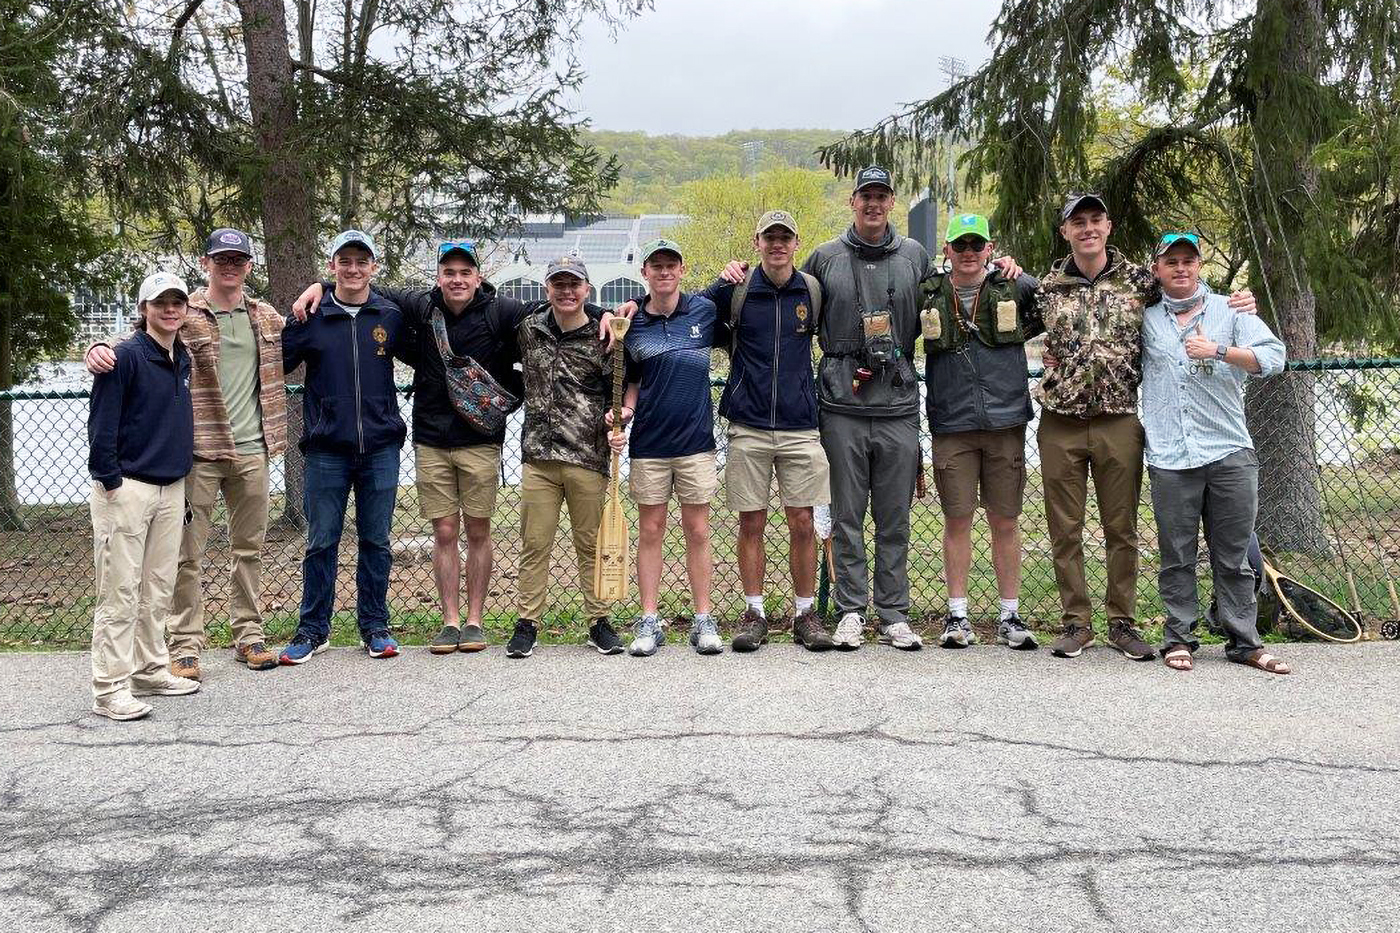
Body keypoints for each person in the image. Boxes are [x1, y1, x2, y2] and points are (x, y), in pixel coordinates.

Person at [1036, 193, 1256, 661]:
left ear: (1108, 227)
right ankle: (1076, 623)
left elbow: (1187, 289)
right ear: (1065, 231)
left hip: (1119, 418)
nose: (1088, 228)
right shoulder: (1045, 288)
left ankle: (1122, 623)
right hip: (1060, 420)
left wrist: (1240, 301)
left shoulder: (1141, 280)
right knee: (1065, 529)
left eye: (1096, 219)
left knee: (1121, 529)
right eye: (1078, 222)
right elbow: (1011, 322)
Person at [618, 211, 834, 652]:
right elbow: (673, 305)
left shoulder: (812, 290)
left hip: (800, 423)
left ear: (796, 243)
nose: (777, 244)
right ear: (757, 242)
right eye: (770, 237)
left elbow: (835, 342)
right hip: (747, 423)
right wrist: (630, 305)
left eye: (785, 237)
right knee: (750, 521)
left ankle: (805, 613)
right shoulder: (733, 292)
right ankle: (754, 614)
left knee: (803, 521)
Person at [85, 229, 286, 679]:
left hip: (254, 449)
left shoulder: (267, 316)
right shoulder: (184, 311)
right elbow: (140, 339)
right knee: (185, 555)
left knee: (248, 548)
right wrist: (98, 348)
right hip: (199, 452)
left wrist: (318, 288)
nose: (229, 266)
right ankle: (185, 644)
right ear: (205, 263)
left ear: (249, 266)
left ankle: (249, 635)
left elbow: (308, 333)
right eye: (221, 259)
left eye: (238, 259)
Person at [1141, 233, 1289, 674]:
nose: (1180, 268)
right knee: (1177, 555)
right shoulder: (1144, 318)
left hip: (1228, 451)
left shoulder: (1232, 309)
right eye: (1171, 262)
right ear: (1157, 270)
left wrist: (1219, 351)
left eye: (1188, 260)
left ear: (1199, 266)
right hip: (1170, 456)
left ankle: (1243, 641)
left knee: (1234, 555)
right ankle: (1179, 638)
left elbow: (1274, 358)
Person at [280, 230, 414, 664]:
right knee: (321, 541)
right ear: (332, 265)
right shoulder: (311, 315)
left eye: (361, 261)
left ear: (373, 266)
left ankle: (375, 626)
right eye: (345, 261)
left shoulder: (389, 314)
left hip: (380, 448)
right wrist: (311, 295)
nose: (353, 269)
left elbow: (429, 351)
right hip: (326, 450)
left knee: (376, 540)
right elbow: (273, 362)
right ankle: (312, 629)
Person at [919, 214, 1041, 650]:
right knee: (957, 519)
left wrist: (1020, 271)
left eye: (977, 244)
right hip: (952, 423)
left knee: (1005, 520)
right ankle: (957, 615)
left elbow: (1057, 311)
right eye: (960, 245)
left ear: (990, 248)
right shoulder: (928, 291)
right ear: (947, 250)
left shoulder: (1017, 286)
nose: (968, 252)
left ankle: (1010, 615)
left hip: (1005, 421)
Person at [87, 272, 200, 720]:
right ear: (143, 309)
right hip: (127, 488)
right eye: (160, 303)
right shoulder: (124, 357)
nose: (170, 310)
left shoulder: (182, 357)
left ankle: (150, 668)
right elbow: (102, 425)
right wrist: (110, 482)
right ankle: (109, 687)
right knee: (120, 590)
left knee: (158, 587)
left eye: (177, 302)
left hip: (171, 486)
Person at [613, 238, 728, 657]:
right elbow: (633, 381)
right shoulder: (631, 323)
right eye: (656, 266)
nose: (664, 272)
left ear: (682, 270)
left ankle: (703, 619)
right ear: (644, 272)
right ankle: (649, 620)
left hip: (696, 443)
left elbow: (732, 293)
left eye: (671, 265)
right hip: (649, 445)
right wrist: (625, 412)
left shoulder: (703, 311)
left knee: (698, 530)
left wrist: (732, 270)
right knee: (650, 530)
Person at [509, 256, 624, 658]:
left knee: (591, 545)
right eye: (558, 284)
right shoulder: (529, 328)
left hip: (586, 456)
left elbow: (620, 387)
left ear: (587, 289)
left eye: (574, 284)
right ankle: (527, 623)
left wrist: (616, 420)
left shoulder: (605, 335)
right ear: (547, 289)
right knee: (534, 544)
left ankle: (599, 621)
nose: (567, 291)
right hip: (539, 457)